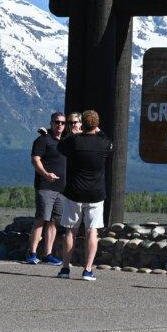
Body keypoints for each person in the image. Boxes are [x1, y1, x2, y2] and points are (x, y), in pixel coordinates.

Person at [56, 109, 113, 281]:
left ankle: (65, 268)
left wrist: (74, 133)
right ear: (96, 125)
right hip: (96, 193)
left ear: (82, 124)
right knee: (91, 232)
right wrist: (98, 130)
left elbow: (60, 146)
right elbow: (110, 143)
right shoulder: (104, 143)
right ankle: (87, 270)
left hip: (74, 192)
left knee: (70, 232)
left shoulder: (74, 141)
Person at [23, 112, 68, 265]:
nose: (60, 125)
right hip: (46, 187)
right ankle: (32, 253)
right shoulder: (43, 140)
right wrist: (45, 174)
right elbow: (35, 160)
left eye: (62, 122)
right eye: (57, 122)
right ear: (51, 123)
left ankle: (48, 254)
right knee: (41, 219)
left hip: (61, 189)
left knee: (54, 222)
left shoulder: (65, 142)